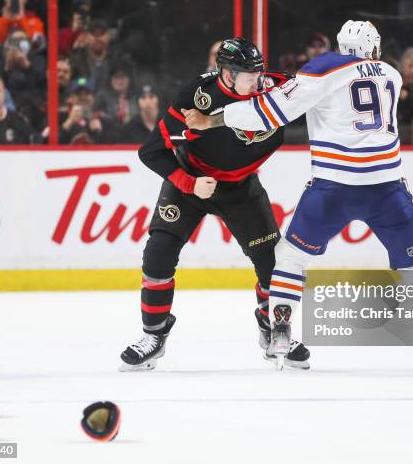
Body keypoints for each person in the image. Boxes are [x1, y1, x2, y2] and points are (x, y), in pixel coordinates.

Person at [185, 21, 413, 374]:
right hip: (387, 187)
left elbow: (272, 111)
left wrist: (213, 121)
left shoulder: (325, 68)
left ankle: (280, 327)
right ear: (373, 46)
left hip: (334, 187)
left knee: (290, 257)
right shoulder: (391, 74)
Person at [119, 38, 310, 372]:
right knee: (158, 253)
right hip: (192, 183)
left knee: (272, 265)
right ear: (227, 73)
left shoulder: (277, 88)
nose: (259, 79)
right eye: (250, 74)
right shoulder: (197, 96)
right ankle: (153, 337)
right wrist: (189, 183)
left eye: (259, 71)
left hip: (242, 188)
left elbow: (318, 92)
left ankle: (272, 332)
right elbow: (150, 151)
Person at [60, 76, 118, 144]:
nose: (83, 97)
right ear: (71, 98)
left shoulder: (104, 120)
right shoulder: (60, 117)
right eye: (78, 94)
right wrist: (67, 125)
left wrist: (99, 133)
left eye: (87, 93)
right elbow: (46, 143)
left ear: (94, 98)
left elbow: (116, 146)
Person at [95, 58, 138, 125]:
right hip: (110, 132)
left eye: (122, 77)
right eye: (116, 77)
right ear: (110, 79)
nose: (119, 81)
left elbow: (154, 120)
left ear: (130, 79)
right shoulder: (102, 96)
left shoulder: (138, 96)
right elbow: (96, 117)